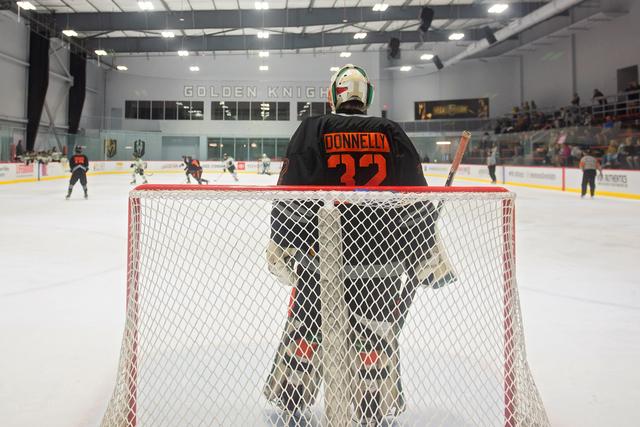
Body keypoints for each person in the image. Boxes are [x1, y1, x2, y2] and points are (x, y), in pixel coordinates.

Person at [263, 64, 455, 423]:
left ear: (333, 95)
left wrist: (283, 243)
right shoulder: (391, 131)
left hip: (322, 259)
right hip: (382, 261)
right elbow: (415, 199)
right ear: (367, 96)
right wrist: (424, 250)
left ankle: (293, 391)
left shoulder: (314, 128)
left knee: (308, 327)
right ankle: (370, 399)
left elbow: (292, 191)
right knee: (375, 336)